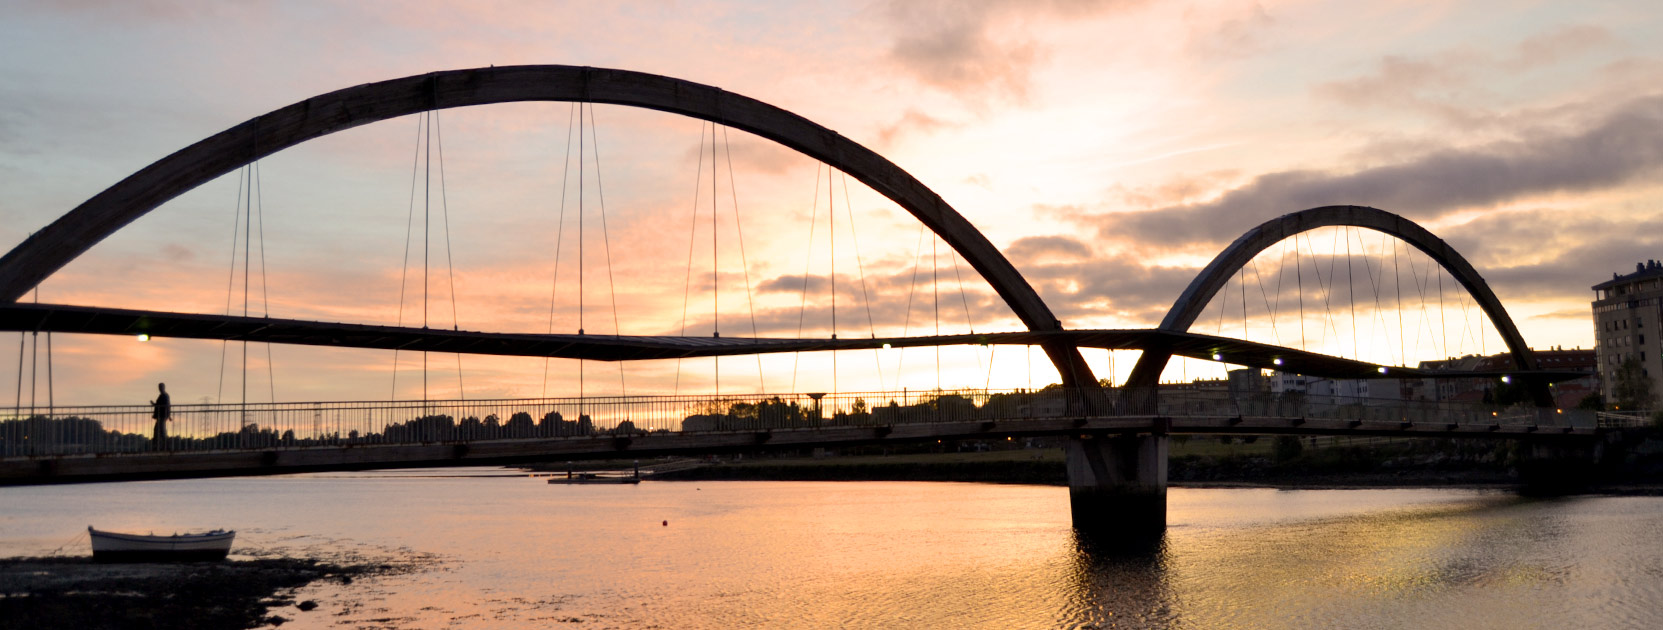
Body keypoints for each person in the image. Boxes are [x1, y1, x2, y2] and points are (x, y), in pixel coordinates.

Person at [151, 383, 171, 451]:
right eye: (159, 387)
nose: (159, 388)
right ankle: (160, 446)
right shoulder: (163, 395)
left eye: (160, 387)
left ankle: (163, 447)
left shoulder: (164, 396)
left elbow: (166, 406)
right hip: (161, 416)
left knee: (160, 431)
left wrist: (168, 415)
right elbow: (165, 405)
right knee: (159, 431)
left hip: (162, 416)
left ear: (163, 387)